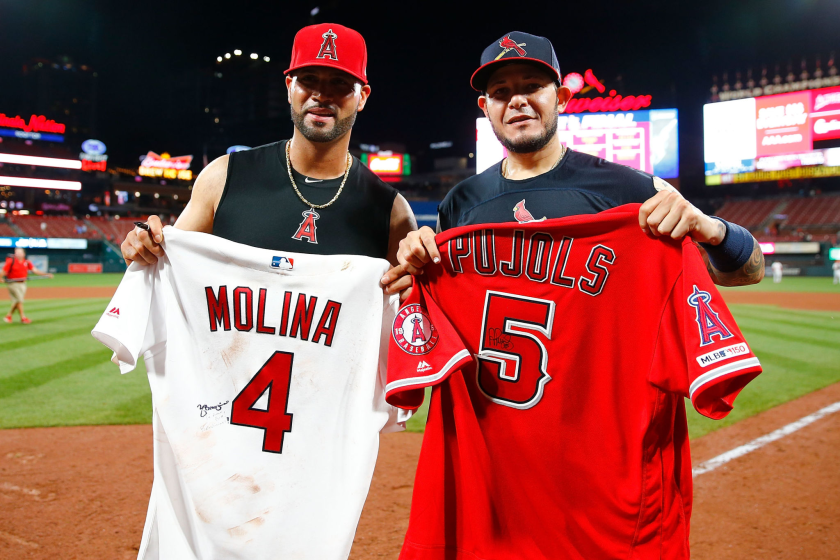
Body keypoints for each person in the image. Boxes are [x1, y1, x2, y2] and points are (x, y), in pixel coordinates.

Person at [382, 32, 764, 295]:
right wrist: (415, 263)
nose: (517, 100)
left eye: (532, 86)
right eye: (501, 92)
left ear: (561, 98)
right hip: (497, 410)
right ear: (486, 108)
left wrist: (710, 228)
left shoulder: (628, 189)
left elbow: (749, 272)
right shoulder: (460, 202)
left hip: (598, 409)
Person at [121, 23, 416, 274]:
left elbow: (402, 315)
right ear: (289, 87)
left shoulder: (392, 212)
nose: (321, 94)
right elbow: (164, 267)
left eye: (339, 82)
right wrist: (143, 247)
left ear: (362, 96)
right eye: (308, 79)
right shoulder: (223, 177)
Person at [2, 247, 53, 324]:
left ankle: (8, 316)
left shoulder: (27, 262)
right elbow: (3, 271)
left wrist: (46, 274)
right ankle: (23, 318)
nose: (18, 254)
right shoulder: (11, 261)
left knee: (17, 301)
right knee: (20, 300)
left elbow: (35, 270)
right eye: (17, 252)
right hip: (13, 283)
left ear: (24, 254)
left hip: (23, 283)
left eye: (20, 252)